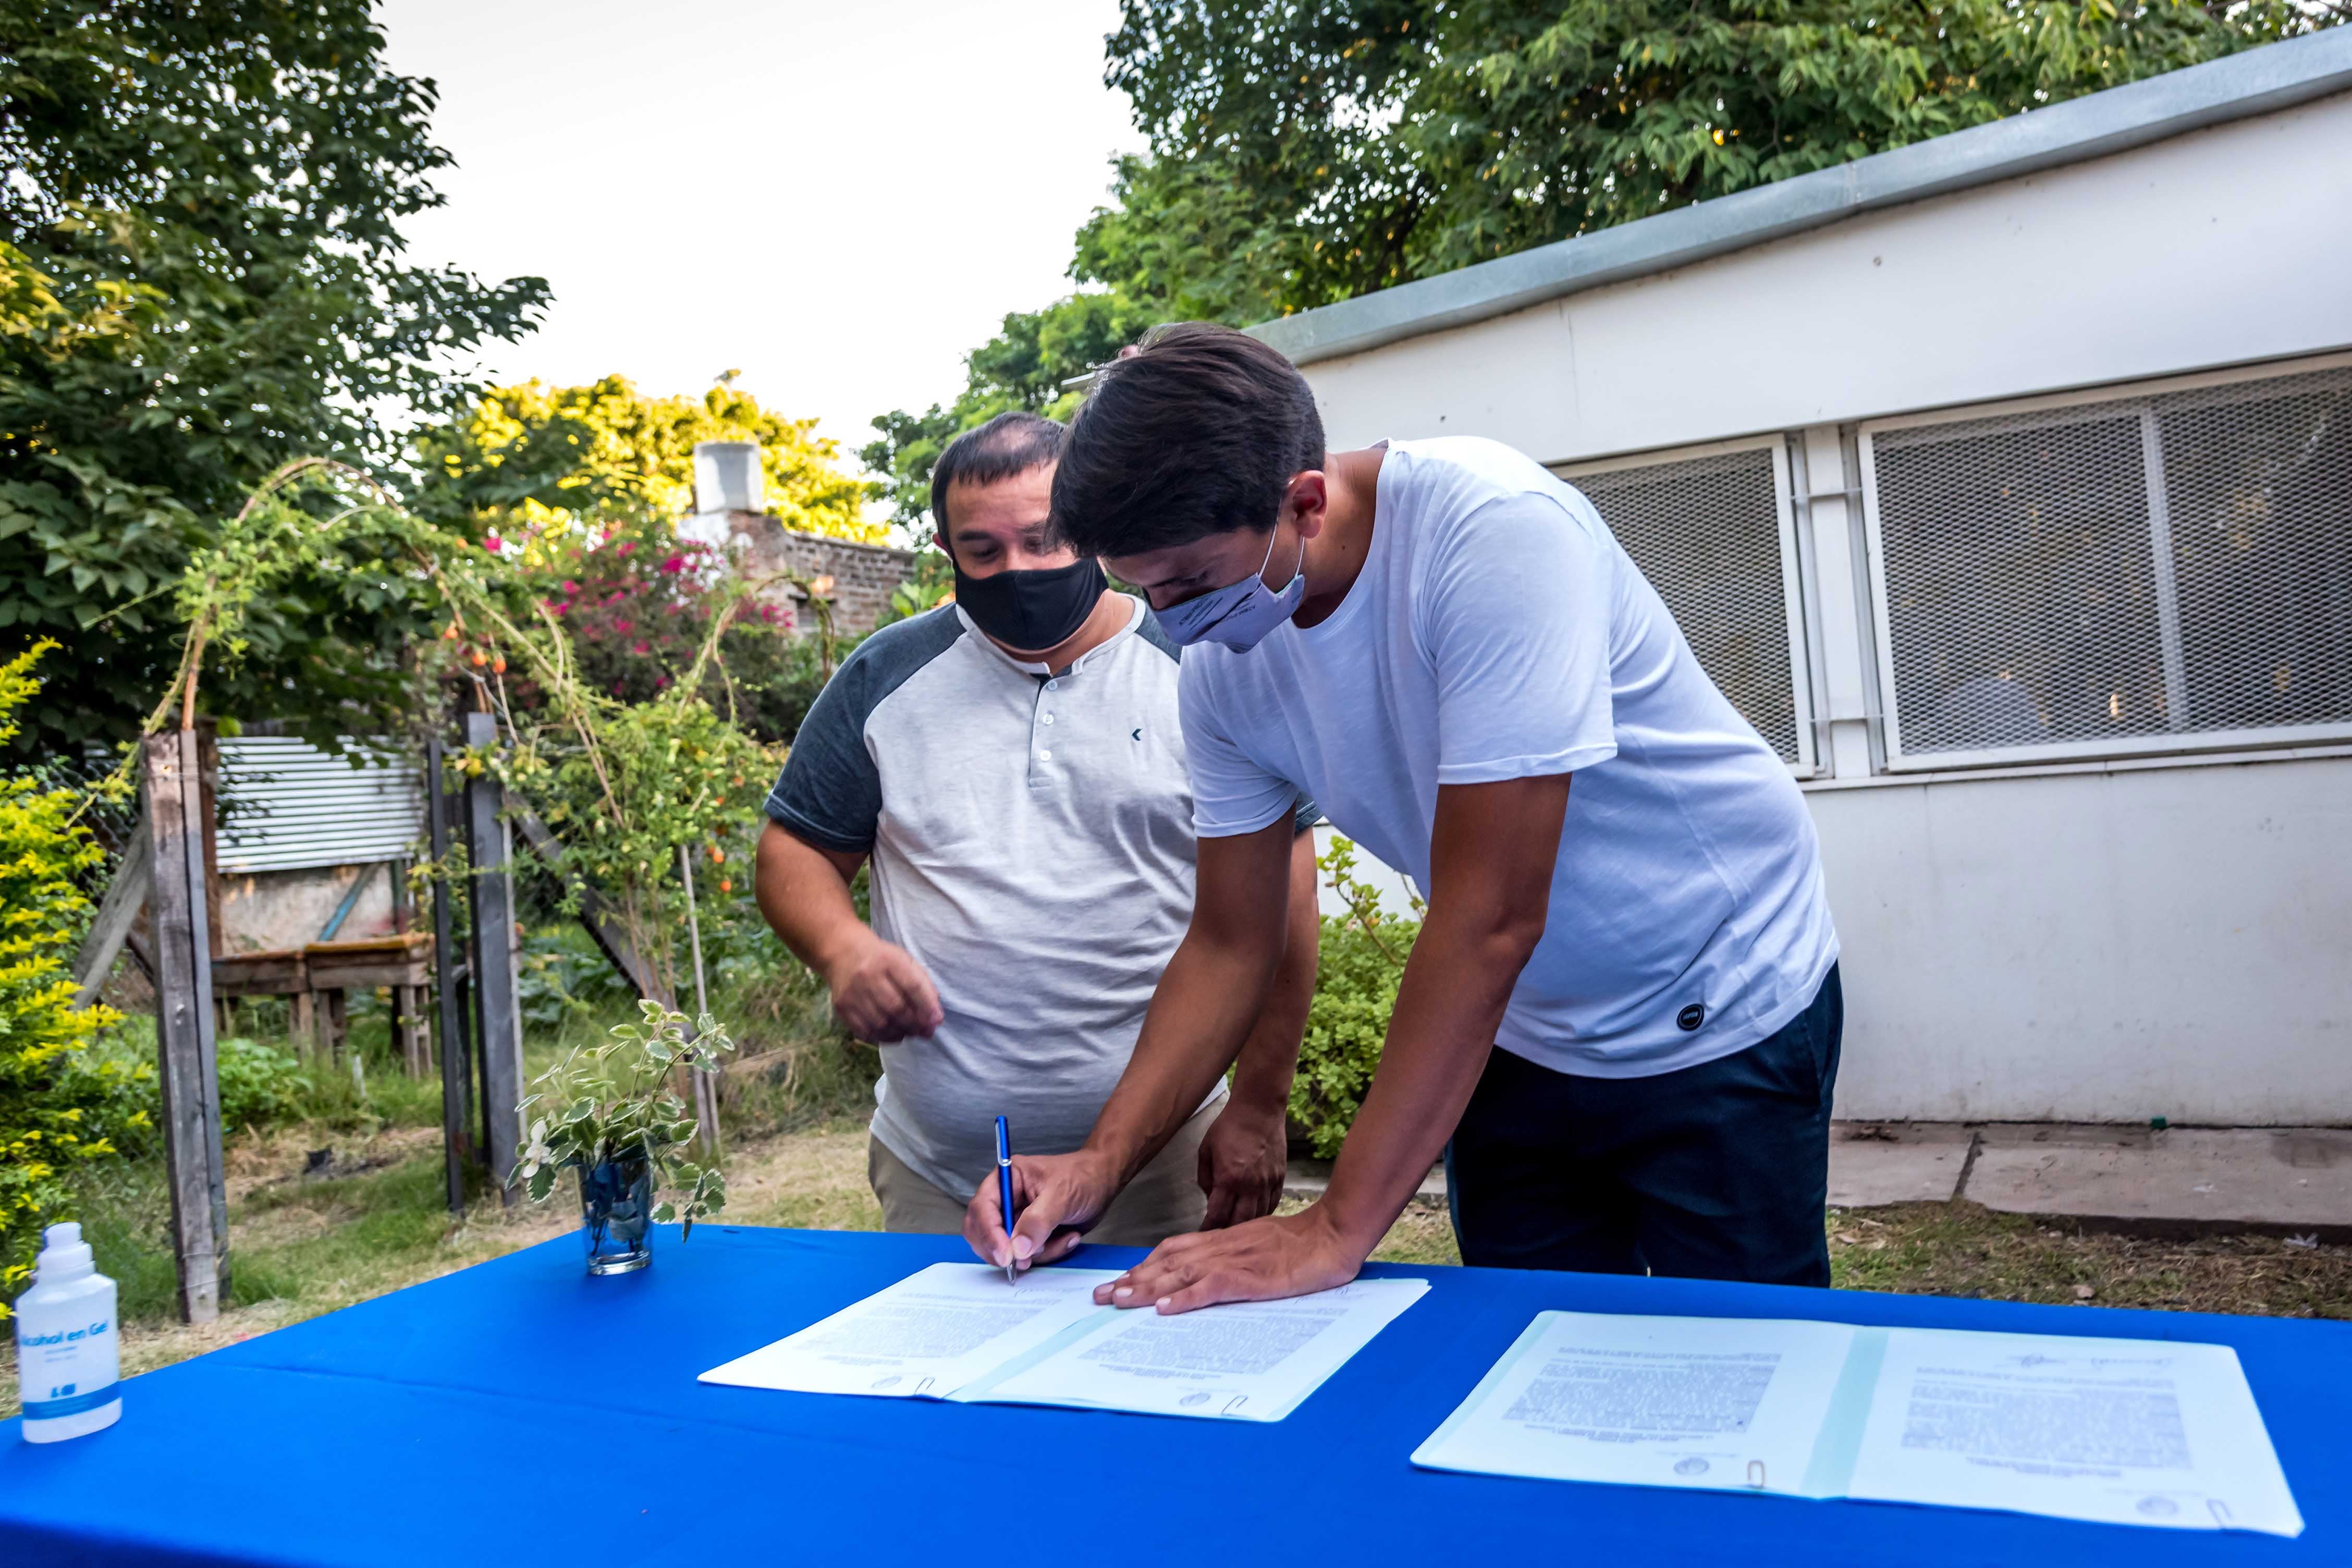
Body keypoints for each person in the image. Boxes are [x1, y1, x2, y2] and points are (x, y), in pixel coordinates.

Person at [965, 325, 1841, 1313]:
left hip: (1711, 988)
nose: (1169, 621)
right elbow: (1228, 942)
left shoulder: (1495, 533)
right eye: (1145, 590)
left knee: (1743, 1363)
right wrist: (1102, 1159)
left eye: (1191, 582)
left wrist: (1335, 1228)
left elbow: (1491, 916)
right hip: (1519, 1028)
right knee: (1531, 1345)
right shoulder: (1222, 673)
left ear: (1303, 500)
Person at [755, 410, 1322, 1245]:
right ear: (946, 553)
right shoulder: (884, 678)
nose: (1015, 569)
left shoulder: (1202, 664)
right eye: (983, 551)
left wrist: (1263, 1102)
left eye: (1043, 538)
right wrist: (843, 950)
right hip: (936, 1176)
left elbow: (1289, 903)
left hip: (1159, 1166)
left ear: (1094, 528)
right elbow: (794, 849)